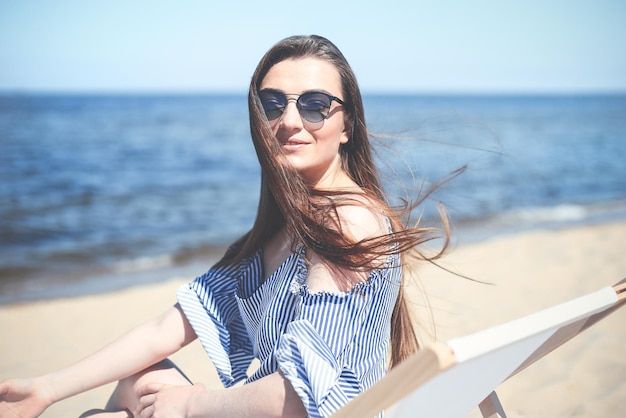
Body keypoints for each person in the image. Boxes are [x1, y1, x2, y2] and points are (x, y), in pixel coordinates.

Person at [0, 34, 449, 418]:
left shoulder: (346, 222)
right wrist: (47, 388)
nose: (289, 120)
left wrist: (192, 403)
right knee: (140, 379)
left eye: (315, 106)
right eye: (272, 103)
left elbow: (300, 396)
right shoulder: (284, 228)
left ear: (347, 123)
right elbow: (165, 330)